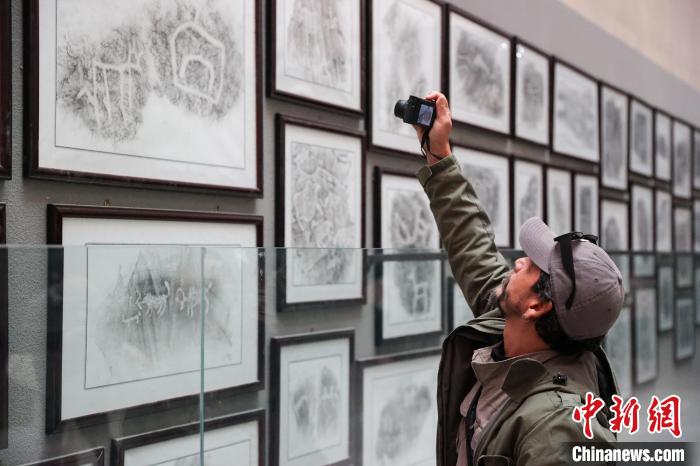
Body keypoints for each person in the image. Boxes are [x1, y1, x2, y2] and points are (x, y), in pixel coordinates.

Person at [413, 91, 623, 466]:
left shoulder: (559, 427)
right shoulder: (517, 330)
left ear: (537, 305)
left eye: (534, 265)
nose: (520, 261)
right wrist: (439, 156)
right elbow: (474, 248)